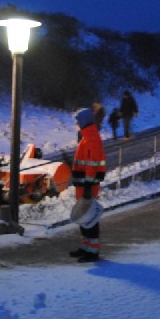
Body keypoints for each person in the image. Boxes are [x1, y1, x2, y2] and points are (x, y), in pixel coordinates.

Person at [69, 108, 107, 263]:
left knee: (89, 219)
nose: (77, 124)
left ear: (84, 120)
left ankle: (92, 251)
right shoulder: (87, 136)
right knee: (85, 218)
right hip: (84, 185)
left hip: (87, 186)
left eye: (78, 120)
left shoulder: (90, 138)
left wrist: (87, 187)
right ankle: (86, 247)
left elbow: (91, 166)